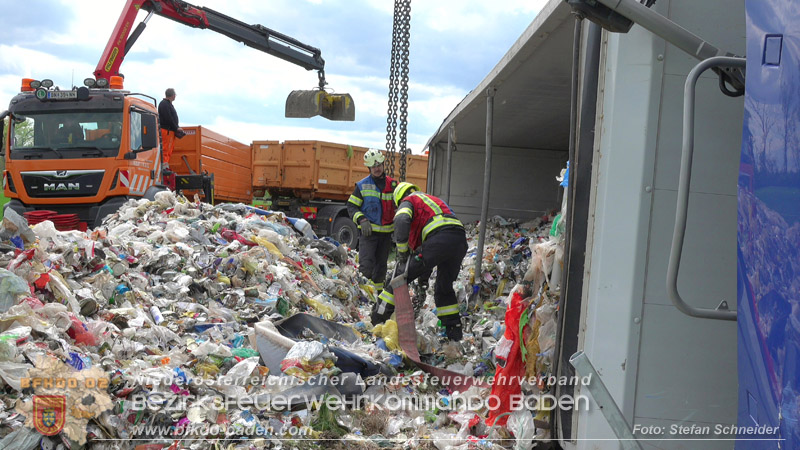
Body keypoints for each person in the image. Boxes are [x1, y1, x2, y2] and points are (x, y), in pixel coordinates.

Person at [371, 182, 468, 341]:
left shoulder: (409, 200)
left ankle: (377, 319)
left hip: (440, 237)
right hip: (458, 241)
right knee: (443, 288)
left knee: (399, 277)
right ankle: (454, 335)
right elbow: (425, 258)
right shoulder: (431, 202)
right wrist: (423, 280)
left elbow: (401, 220)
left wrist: (401, 251)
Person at [347, 149, 398, 290]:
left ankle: (376, 296)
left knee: (381, 267)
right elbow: (351, 207)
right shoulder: (362, 186)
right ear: (369, 168)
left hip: (386, 235)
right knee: (366, 266)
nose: (377, 169)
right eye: (374, 167)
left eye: (379, 165)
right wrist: (362, 220)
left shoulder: (393, 185)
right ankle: (364, 292)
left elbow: (400, 206)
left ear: (383, 165)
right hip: (368, 234)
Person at [158, 88, 184, 171]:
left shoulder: (167, 104)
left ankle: (165, 166)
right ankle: (164, 168)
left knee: (169, 150)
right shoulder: (164, 104)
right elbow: (168, 118)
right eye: (175, 95)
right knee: (165, 149)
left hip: (169, 130)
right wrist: (176, 128)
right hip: (166, 131)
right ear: (173, 95)